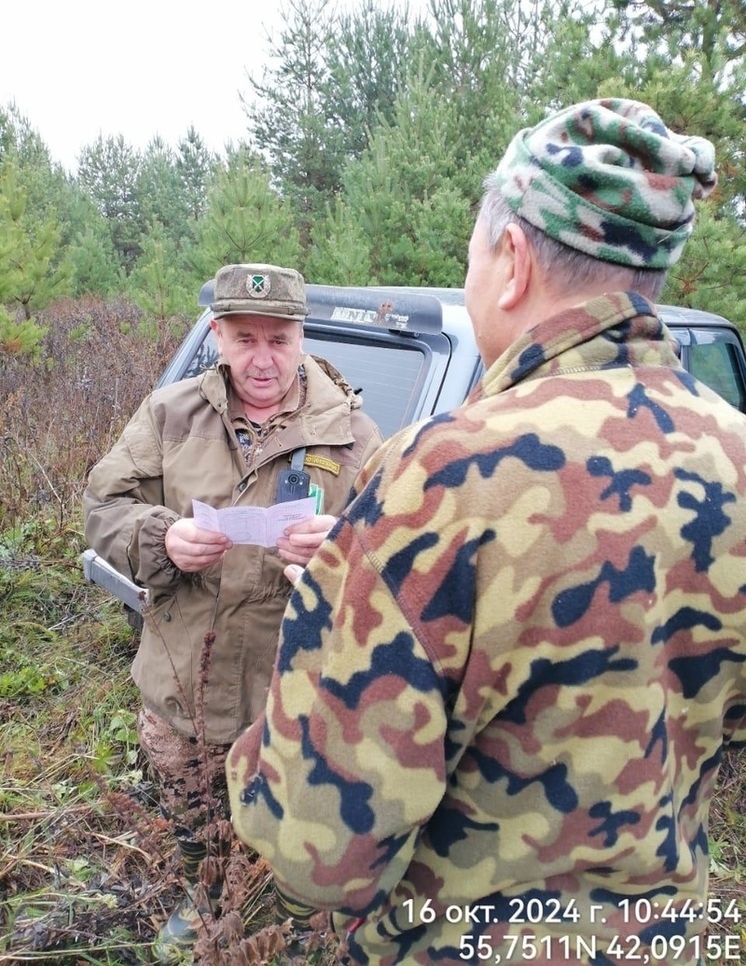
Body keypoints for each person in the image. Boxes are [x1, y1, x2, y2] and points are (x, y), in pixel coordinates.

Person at [225, 101, 746, 966]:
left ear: (509, 262)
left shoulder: (443, 473)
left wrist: (332, 618)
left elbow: (315, 850)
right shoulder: (735, 449)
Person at [83, 263, 383, 960]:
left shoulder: (354, 436)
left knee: (291, 833)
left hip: (297, 697)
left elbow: (401, 556)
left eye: (279, 340)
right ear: (217, 334)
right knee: (192, 817)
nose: (262, 359)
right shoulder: (171, 414)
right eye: (244, 338)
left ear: (302, 336)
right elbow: (104, 507)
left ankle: (283, 926)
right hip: (182, 683)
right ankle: (203, 902)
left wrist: (342, 556)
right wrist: (161, 539)